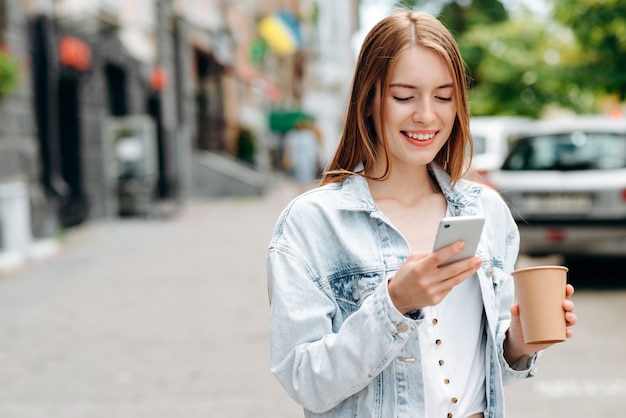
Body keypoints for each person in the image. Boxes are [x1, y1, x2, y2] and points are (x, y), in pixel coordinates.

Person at [266, 9, 576, 418]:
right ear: (370, 99)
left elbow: (490, 370)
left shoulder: (487, 210)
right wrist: (393, 305)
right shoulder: (313, 223)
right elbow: (306, 380)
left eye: (444, 97)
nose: (426, 115)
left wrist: (517, 343)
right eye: (404, 96)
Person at [282, 119, 325, 192]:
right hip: (297, 162)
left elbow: (316, 150)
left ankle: (304, 192)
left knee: (307, 181)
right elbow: (288, 150)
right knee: (299, 181)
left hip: (308, 162)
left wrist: (319, 160)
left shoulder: (310, 135)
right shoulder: (292, 136)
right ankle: (301, 193)